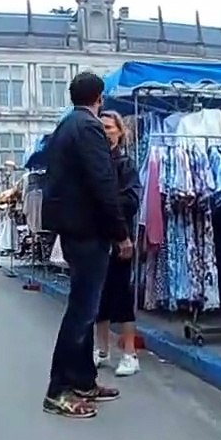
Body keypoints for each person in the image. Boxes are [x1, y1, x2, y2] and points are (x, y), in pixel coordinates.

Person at [40, 71, 131, 419]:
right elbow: (103, 183)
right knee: (81, 311)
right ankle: (58, 389)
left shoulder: (66, 126)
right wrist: (121, 233)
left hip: (74, 228)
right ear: (100, 98)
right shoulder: (88, 128)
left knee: (85, 308)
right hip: (88, 230)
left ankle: (81, 379)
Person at [93, 111, 143, 377]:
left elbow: (131, 200)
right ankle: (101, 350)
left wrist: (108, 207)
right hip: (97, 239)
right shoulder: (94, 162)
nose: (105, 131)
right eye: (101, 127)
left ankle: (130, 353)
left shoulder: (126, 165)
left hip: (120, 237)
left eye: (110, 127)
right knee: (99, 298)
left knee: (122, 297)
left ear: (120, 132)